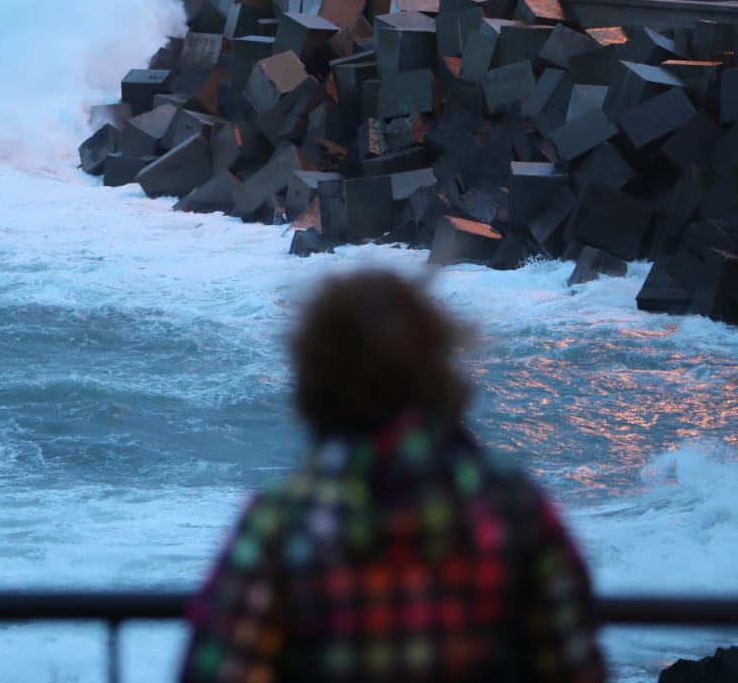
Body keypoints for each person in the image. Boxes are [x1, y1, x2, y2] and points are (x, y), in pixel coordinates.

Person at [179, 269, 605, 682]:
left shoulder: (282, 521)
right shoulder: (514, 507)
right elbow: (576, 666)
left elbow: (216, 669)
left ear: (313, 381)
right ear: (440, 369)